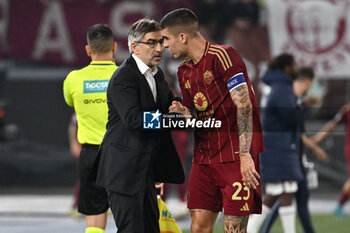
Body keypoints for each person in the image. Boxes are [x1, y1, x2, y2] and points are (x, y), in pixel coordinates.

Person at [160, 8, 264, 233]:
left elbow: (244, 105)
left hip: (235, 158)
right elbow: (197, 114)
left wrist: (246, 155)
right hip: (203, 159)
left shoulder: (224, 56)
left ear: (183, 37)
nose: (164, 46)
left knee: (234, 230)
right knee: (197, 227)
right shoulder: (184, 71)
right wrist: (183, 114)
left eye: (166, 39)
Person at [92, 18, 185, 233]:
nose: (160, 48)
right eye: (152, 43)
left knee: (151, 229)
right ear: (134, 47)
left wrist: (182, 108)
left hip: (144, 170)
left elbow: (168, 105)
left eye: (161, 42)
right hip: (123, 171)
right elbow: (134, 119)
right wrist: (168, 119)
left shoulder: (157, 74)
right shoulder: (123, 77)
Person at [63, 24, 118, 233]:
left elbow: (70, 103)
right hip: (121, 152)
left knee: (94, 218)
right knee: (129, 213)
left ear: (88, 50)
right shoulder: (126, 76)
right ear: (114, 47)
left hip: (91, 154)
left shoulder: (73, 79)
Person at [258, 67, 327, 233]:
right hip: (287, 157)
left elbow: (296, 130)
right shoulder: (287, 99)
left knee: (293, 197)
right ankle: (259, 229)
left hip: (292, 156)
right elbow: (292, 127)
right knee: (281, 196)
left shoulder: (290, 98)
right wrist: (314, 147)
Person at [247, 54, 305, 233]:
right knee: (279, 190)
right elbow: (289, 117)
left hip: (274, 144)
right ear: (286, 67)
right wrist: (303, 107)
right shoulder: (282, 87)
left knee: (284, 190)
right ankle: (248, 230)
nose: (297, 67)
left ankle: (251, 229)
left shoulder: (275, 85)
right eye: (294, 64)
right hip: (277, 146)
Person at [312, 102, 350, 218]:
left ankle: (339, 205)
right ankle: (339, 205)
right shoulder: (347, 109)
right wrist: (318, 138)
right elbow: (333, 124)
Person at [68, 113, 82, 218]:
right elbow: (73, 127)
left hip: (101, 145)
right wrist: (73, 143)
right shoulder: (81, 107)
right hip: (85, 146)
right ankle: (76, 205)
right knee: (84, 177)